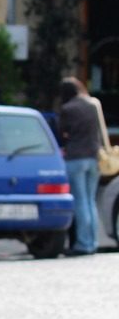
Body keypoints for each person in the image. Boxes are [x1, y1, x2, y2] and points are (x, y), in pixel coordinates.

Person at [58, 76, 103, 256]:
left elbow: (63, 133)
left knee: (80, 202)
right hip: (94, 156)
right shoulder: (93, 105)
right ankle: (93, 241)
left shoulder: (68, 109)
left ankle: (83, 243)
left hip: (75, 157)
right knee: (91, 201)